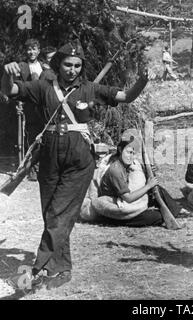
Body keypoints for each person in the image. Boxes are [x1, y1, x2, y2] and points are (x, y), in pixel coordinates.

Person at [1, 40, 153, 290]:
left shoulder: (91, 89)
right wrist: (6, 75)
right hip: (48, 158)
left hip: (79, 161)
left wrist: (142, 81)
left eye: (77, 65)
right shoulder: (42, 87)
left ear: (81, 68)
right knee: (53, 214)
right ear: (58, 64)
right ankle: (61, 268)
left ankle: (36, 271)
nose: (72, 69)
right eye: (67, 64)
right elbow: (12, 90)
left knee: (59, 215)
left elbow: (126, 96)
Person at [81, 140, 181, 226]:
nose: (131, 156)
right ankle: (170, 214)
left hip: (124, 200)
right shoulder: (115, 170)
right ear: (120, 150)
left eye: (133, 153)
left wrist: (148, 171)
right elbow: (128, 198)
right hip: (117, 207)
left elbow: (135, 180)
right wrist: (148, 185)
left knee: (158, 190)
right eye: (129, 152)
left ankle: (175, 212)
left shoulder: (126, 165)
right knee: (156, 216)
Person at [16, 39, 45, 181]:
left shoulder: (44, 66)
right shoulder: (21, 66)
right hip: (29, 106)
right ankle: (32, 169)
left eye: (34, 49)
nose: (31, 52)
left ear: (39, 50)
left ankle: (43, 168)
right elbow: (16, 87)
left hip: (44, 107)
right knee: (32, 136)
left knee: (45, 135)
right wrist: (19, 103)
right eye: (29, 49)